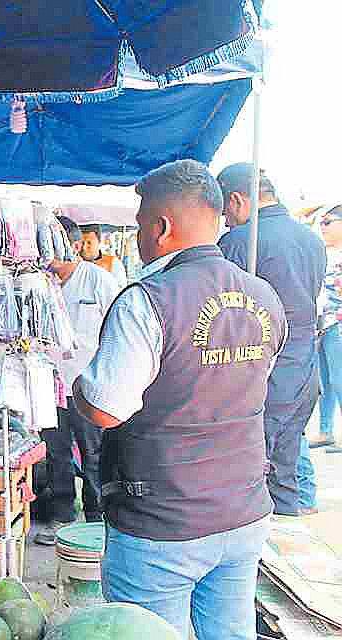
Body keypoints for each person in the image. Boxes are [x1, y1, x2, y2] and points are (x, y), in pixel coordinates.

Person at [73, 160, 286, 640]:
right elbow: (252, 383)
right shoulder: (264, 296)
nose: (138, 236)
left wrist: (78, 391)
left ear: (161, 227)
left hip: (163, 523)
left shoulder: (147, 300)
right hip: (243, 510)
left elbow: (107, 407)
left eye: (139, 224)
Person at [217, 164, 326, 516]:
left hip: (261, 370)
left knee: (247, 478)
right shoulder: (311, 239)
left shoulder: (240, 241)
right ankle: (282, 536)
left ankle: (248, 565)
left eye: (225, 213)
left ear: (236, 200)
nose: (226, 222)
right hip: (305, 368)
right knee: (285, 473)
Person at [34, 217, 119, 546]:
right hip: (50, 385)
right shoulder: (41, 284)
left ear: (71, 245)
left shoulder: (98, 281)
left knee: (95, 455)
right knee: (56, 453)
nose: (46, 257)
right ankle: (61, 517)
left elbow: (116, 329)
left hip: (88, 386)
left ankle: (98, 522)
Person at [314, 203, 342, 451]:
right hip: (322, 323)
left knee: (339, 379)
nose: (323, 227)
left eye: (328, 222)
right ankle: (325, 430)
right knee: (324, 382)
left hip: (339, 324)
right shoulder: (321, 251)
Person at [79, 224, 127, 289]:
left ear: (99, 242)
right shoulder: (73, 263)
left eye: (89, 243)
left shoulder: (113, 263)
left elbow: (121, 291)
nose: (84, 248)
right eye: (81, 243)